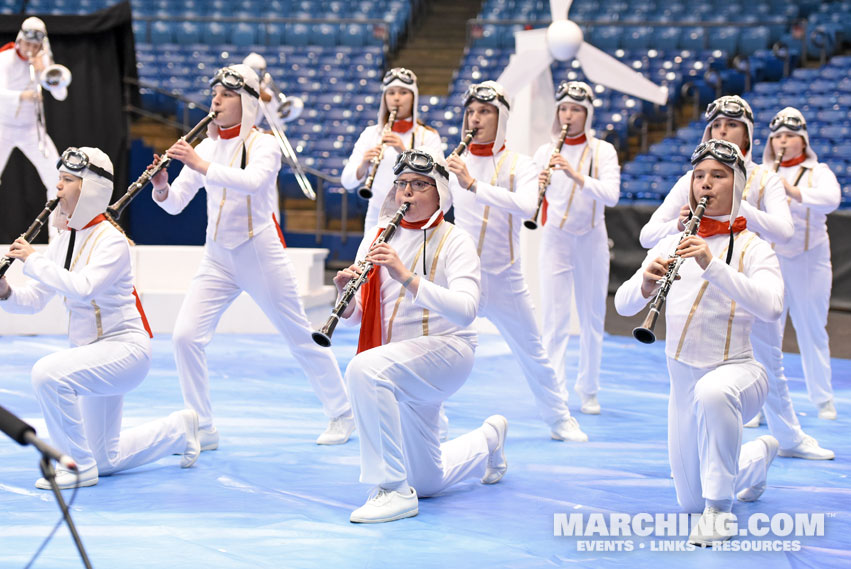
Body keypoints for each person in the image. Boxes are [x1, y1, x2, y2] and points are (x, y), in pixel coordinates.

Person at [150, 65, 353, 447]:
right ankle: (204, 426)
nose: (215, 101)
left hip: (258, 251)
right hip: (216, 257)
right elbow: (176, 204)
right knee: (184, 337)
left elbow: (253, 183)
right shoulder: (207, 146)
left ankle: (342, 412)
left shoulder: (265, 144)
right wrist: (161, 187)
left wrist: (199, 164)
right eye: (214, 94)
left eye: (225, 95)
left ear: (245, 101)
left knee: (298, 334)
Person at [639, 95, 830, 457]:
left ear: (748, 136)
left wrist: (738, 205)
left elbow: (785, 231)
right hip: (700, 287)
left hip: (747, 281)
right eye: (716, 126)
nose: (723, 130)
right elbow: (647, 234)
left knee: (769, 360)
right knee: (703, 373)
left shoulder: (766, 178)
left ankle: (788, 439)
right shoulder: (693, 176)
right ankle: (723, 453)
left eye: (732, 125)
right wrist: (675, 224)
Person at [0, 146, 199, 489]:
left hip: (124, 352)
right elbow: (32, 301)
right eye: (58, 179)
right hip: (92, 355)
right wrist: (6, 291)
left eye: (67, 180)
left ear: (91, 188)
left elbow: (83, 287)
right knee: (106, 459)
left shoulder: (112, 241)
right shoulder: (64, 240)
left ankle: (77, 467)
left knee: (47, 375)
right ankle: (179, 430)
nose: (57, 187)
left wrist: (33, 260)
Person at [615, 140, 782, 546]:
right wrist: (645, 283)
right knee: (689, 500)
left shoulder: (754, 247)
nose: (706, 184)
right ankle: (756, 457)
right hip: (681, 381)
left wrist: (712, 265)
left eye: (719, 176)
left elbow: (773, 307)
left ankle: (720, 511)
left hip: (739, 371)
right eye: (700, 176)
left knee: (714, 392)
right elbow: (622, 306)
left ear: (738, 185)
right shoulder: (672, 241)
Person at [335, 147, 507, 523]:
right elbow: (358, 317)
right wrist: (343, 296)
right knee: (429, 482)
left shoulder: (455, 240)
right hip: (398, 361)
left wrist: (407, 277)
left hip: (448, 352)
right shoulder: (377, 237)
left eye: (418, 184)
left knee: (364, 369)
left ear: (440, 194)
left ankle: (391, 489)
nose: (407, 193)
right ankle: (490, 439)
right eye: (401, 184)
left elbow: (467, 309)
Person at [446, 80, 586, 442]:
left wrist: (473, 184)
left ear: (501, 118)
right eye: (471, 112)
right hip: (462, 277)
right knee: (436, 347)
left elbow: (527, 205)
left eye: (485, 112)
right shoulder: (453, 162)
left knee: (533, 352)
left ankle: (560, 419)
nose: (475, 119)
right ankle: (431, 420)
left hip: (506, 277)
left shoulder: (519, 164)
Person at [531, 81, 620, 414]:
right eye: (564, 108)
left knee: (592, 316)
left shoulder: (603, 150)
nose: (569, 115)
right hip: (555, 236)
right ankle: (555, 390)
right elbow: (529, 197)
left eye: (577, 110)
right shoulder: (545, 151)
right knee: (554, 317)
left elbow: (612, 195)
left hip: (592, 237)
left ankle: (589, 389)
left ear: (588, 113)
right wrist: (537, 184)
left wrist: (576, 174)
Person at [760, 107, 841, 421]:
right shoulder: (763, 170)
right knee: (767, 332)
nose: (783, 141)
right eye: (778, 136)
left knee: (812, 329)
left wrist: (793, 192)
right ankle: (764, 403)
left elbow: (832, 199)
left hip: (811, 259)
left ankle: (823, 400)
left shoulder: (817, 171)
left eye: (790, 135)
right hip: (772, 258)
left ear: (803, 140)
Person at [341, 67, 443, 231]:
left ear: (413, 97)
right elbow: (346, 182)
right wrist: (363, 166)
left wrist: (404, 152)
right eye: (391, 93)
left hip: (416, 215)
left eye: (403, 92)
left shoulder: (428, 136)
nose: (396, 98)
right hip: (376, 215)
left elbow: (439, 181)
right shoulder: (371, 134)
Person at [0, 17, 71, 241]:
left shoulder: (43, 61)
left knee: (57, 178)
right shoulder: (5, 58)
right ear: (20, 39)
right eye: (27, 44)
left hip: (31, 129)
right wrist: (24, 95)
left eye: (35, 45)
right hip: (3, 127)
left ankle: (56, 237)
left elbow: (60, 94)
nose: (30, 49)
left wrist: (44, 71)